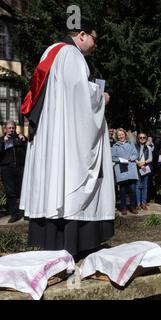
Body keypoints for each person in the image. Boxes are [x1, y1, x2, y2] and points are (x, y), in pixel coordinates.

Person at [19, 21, 115, 257]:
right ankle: (74, 243)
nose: (94, 45)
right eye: (94, 38)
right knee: (71, 179)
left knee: (54, 179)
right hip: (68, 136)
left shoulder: (51, 51)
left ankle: (52, 242)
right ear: (81, 35)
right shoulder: (71, 54)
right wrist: (101, 97)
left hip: (52, 131)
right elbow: (80, 99)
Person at [0, 121, 27, 223]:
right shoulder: (2, 140)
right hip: (7, 169)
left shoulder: (20, 138)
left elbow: (28, 151)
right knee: (10, 192)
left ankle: (22, 212)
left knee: (21, 191)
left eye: (13, 128)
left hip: (20, 168)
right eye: (9, 128)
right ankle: (14, 214)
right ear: (5, 129)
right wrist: (3, 142)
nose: (11, 129)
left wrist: (24, 140)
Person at [112, 128, 139, 215]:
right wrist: (120, 160)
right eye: (119, 135)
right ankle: (123, 208)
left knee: (133, 190)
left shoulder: (131, 144)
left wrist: (131, 158)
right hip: (121, 170)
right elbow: (112, 157)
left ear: (125, 135)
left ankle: (133, 207)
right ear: (117, 136)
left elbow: (136, 154)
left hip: (131, 169)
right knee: (122, 191)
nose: (121, 136)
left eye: (122, 134)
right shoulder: (115, 146)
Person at [135, 132, 152, 210]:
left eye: (143, 137)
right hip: (137, 167)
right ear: (138, 139)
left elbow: (150, 159)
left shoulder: (148, 147)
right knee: (138, 186)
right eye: (140, 137)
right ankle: (138, 204)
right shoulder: (134, 147)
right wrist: (138, 163)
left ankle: (143, 203)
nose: (142, 139)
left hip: (145, 167)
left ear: (146, 138)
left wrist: (143, 163)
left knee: (145, 186)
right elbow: (132, 156)